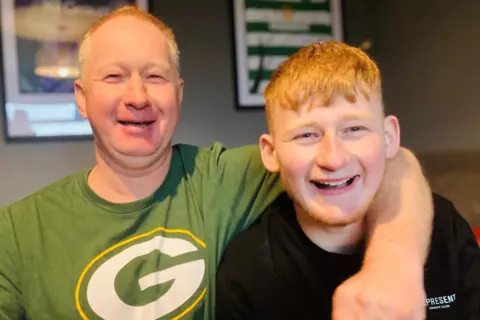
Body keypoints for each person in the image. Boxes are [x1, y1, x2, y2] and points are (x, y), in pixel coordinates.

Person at [0, 6, 433, 320]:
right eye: (114, 76)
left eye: (155, 76)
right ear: (81, 97)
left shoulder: (227, 177)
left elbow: (390, 164)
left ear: (179, 92)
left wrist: (394, 265)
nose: (137, 95)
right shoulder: (17, 233)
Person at [216, 41, 480, 319]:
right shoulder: (247, 273)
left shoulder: (443, 225)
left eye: (354, 129)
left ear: (389, 138)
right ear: (271, 153)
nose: (334, 159)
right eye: (307, 135)